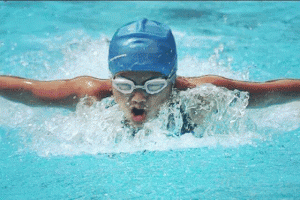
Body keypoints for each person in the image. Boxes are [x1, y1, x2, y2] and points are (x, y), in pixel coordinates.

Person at [0, 18, 300, 132]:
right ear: (112, 78)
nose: (138, 97)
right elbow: (28, 91)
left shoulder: (204, 96)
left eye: (154, 84)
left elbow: (270, 91)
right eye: (125, 84)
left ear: (172, 79)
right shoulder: (90, 94)